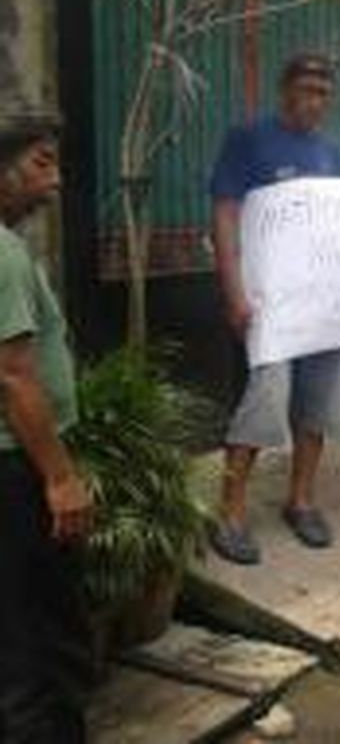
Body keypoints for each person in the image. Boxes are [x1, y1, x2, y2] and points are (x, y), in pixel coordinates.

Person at [208, 53, 340, 565]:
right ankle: (230, 510)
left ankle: (301, 499)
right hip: (268, 303)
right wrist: (234, 291)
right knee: (264, 399)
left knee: (318, 404)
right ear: (284, 89)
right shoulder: (248, 139)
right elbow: (225, 215)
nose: (315, 100)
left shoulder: (331, 153)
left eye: (324, 92)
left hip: (319, 305)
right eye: (307, 89)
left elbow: (339, 228)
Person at [0, 113, 94, 741]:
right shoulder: (3, 253)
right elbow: (12, 376)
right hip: (18, 470)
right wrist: (60, 478)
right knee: (43, 645)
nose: (55, 182)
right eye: (41, 164)